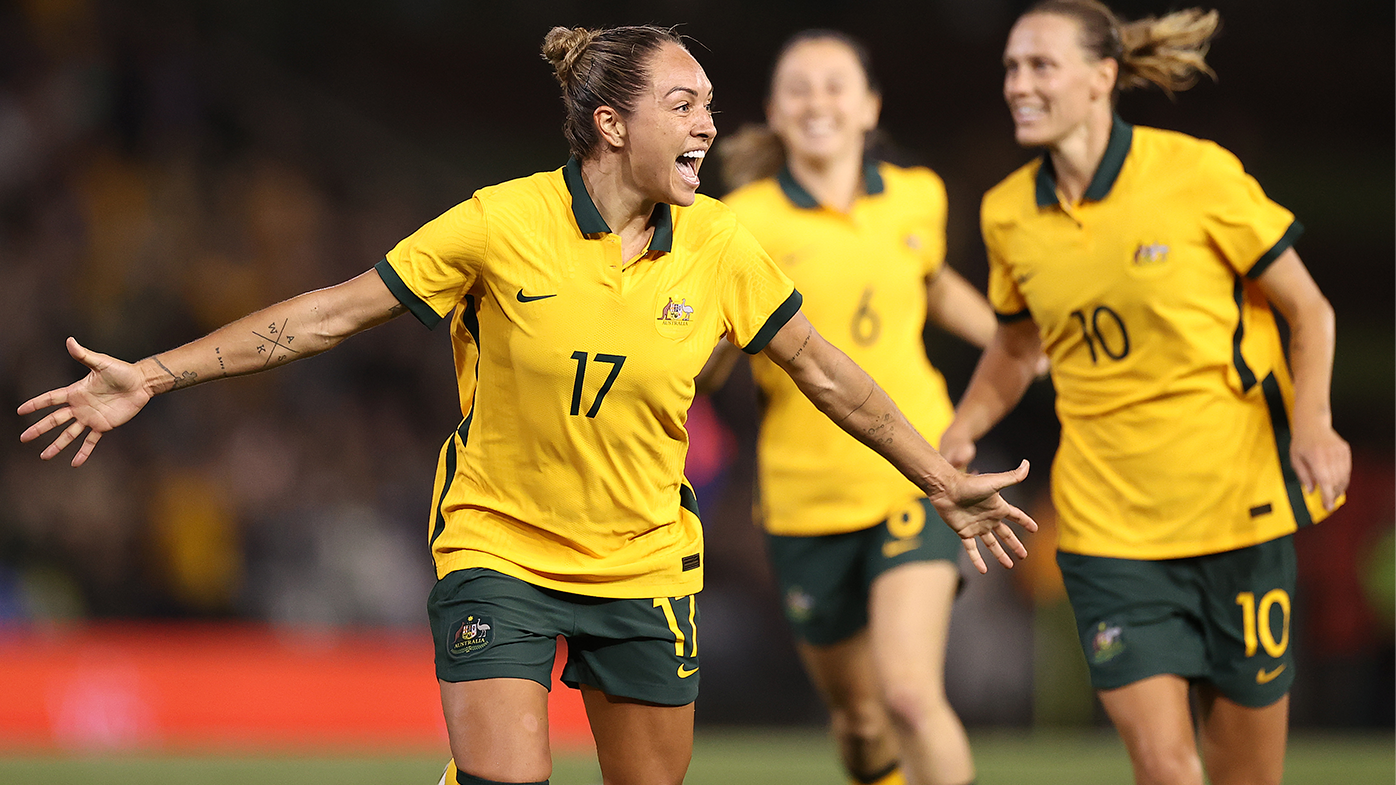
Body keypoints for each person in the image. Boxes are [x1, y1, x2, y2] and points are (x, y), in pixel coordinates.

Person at [19, 25, 1039, 785]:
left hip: (643, 558)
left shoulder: (726, 245)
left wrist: (939, 474)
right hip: (498, 547)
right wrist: (153, 373)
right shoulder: (499, 224)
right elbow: (331, 314)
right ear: (610, 123)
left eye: (710, 105)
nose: (709, 127)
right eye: (683, 106)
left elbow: (829, 372)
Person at [938, 3, 1351, 785]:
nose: (1017, 84)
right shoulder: (1007, 212)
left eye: (1039, 66)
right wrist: (961, 430)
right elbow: (1019, 345)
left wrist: (1314, 424)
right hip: (1108, 531)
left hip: (1238, 515)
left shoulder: (1196, 175)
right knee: (1165, 765)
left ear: (1102, 78)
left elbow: (1310, 310)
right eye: (1011, 68)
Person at [701, 30, 1003, 785]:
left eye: (835, 85)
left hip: (913, 472)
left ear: (870, 106)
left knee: (908, 692)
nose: (817, 101)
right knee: (863, 720)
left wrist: (1019, 342)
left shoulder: (918, 195)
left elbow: (927, 280)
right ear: (773, 110)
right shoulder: (742, 220)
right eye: (798, 87)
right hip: (805, 499)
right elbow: (716, 350)